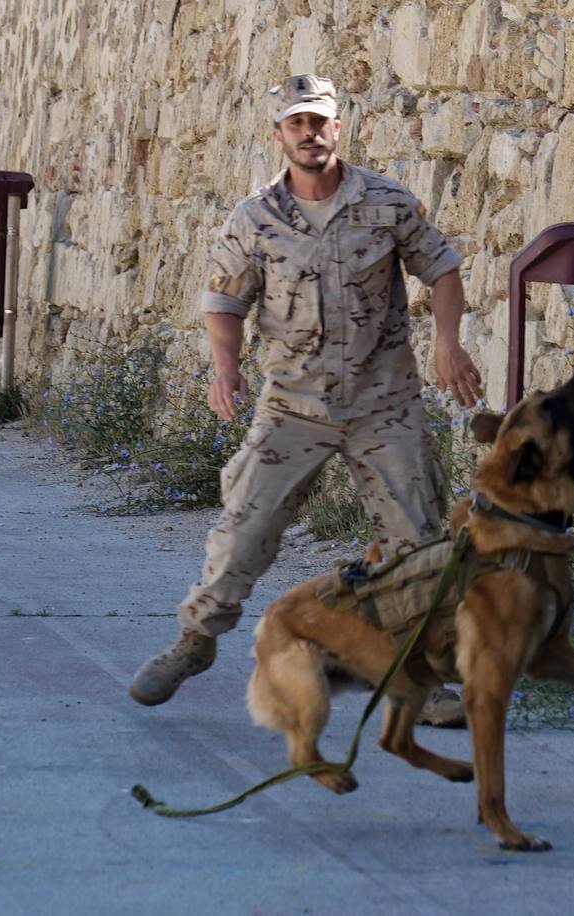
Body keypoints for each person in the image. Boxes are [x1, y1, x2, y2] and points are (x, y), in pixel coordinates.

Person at [129, 74, 484, 726]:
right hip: (293, 407)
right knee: (245, 529)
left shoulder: (385, 202)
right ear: (279, 135)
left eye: (318, 122)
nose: (309, 134)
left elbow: (441, 268)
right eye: (296, 124)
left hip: (385, 403)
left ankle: (422, 679)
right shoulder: (255, 219)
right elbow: (225, 302)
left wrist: (447, 343)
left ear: (338, 129)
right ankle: (196, 641)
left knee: (419, 544)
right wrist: (226, 370)